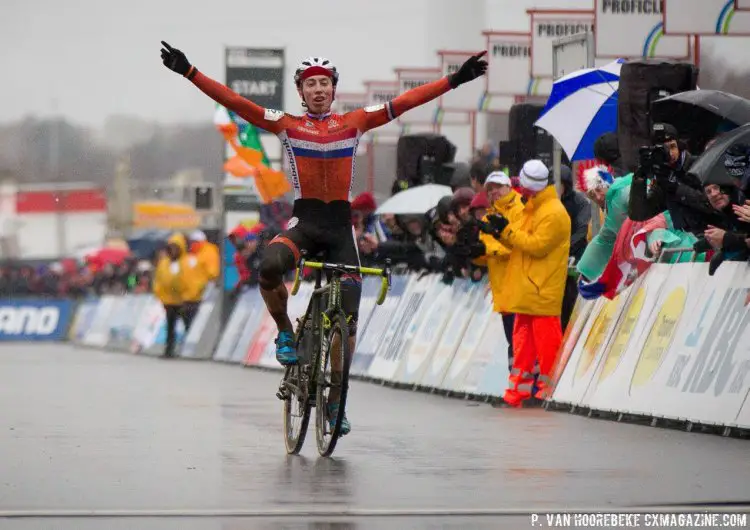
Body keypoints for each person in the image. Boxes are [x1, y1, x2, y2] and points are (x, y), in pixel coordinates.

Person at [161, 41, 487, 434]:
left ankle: (335, 403)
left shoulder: (355, 121)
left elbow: (407, 101)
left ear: (334, 89)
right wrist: (189, 71)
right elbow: (235, 101)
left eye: (325, 83)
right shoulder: (286, 124)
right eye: (311, 84)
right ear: (300, 92)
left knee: (346, 327)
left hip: (339, 232)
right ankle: (285, 332)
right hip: (305, 225)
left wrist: (455, 80)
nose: (318, 89)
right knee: (269, 266)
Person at [483, 160, 571, 407]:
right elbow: (521, 246)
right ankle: (517, 394)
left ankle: (547, 393)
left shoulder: (554, 212)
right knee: (522, 350)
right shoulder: (534, 208)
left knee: (547, 350)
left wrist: (507, 232)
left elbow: (537, 246)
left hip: (542, 293)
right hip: (528, 291)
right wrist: (502, 232)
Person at [628, 122, 719, 234]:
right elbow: (639, 214)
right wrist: (640, 177)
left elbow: (713, 205)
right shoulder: (663, 177)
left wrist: (677, 188)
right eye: (663, 150)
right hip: (689, 239)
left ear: (679, 146)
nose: (670, 154)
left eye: (672, 146)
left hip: (713, 232)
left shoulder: (698, 165)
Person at [474, 171, 524, 369]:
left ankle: (525, 392)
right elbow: (485, 252)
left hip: (521, 289)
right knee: (512, 342)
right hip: (502, 292)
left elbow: (518, 244)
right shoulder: (488, 218)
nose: (494, 192)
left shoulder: (521, 209)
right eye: (490, 189)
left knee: (521, 343)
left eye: (498, 187)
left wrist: (489, 249)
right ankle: (516, 391)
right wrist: (472, 252)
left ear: (508, 187)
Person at [576, 166, 631, 284]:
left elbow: (606, 237)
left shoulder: (624, 193)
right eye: (591, 195)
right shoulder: (612, 202)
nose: (598, 197)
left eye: (599, 189)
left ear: (607, 182)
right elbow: (606, 237)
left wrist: (586, 273)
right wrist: (585, 273)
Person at [558, 165, 591, 331]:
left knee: (572, 302)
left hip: (575, 261)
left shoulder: (580, 202)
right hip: (556, 264)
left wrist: (565, 248)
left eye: (560, 185)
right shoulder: (551, 203)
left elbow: (582, 230)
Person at [153, 233, 189, 358]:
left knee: (187, 325)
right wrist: (160, 295)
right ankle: (169, 350)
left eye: (175, 247)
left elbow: (189, 280)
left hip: (183, 300)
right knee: (170, 327)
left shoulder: (185, 262)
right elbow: (158, 280)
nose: (173, 250)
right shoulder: (164, 263)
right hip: (169, 300)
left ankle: (188, 349)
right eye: (171, 247)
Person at [181, 230, 220, 326]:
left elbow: (212, 273)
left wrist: (203, 285)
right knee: (188, 319)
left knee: (198, 320)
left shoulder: (209, 252)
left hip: (203, 293)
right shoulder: (191, 254)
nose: (192, 244)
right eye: (191, 242)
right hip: (188, 295)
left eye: (194, 242)